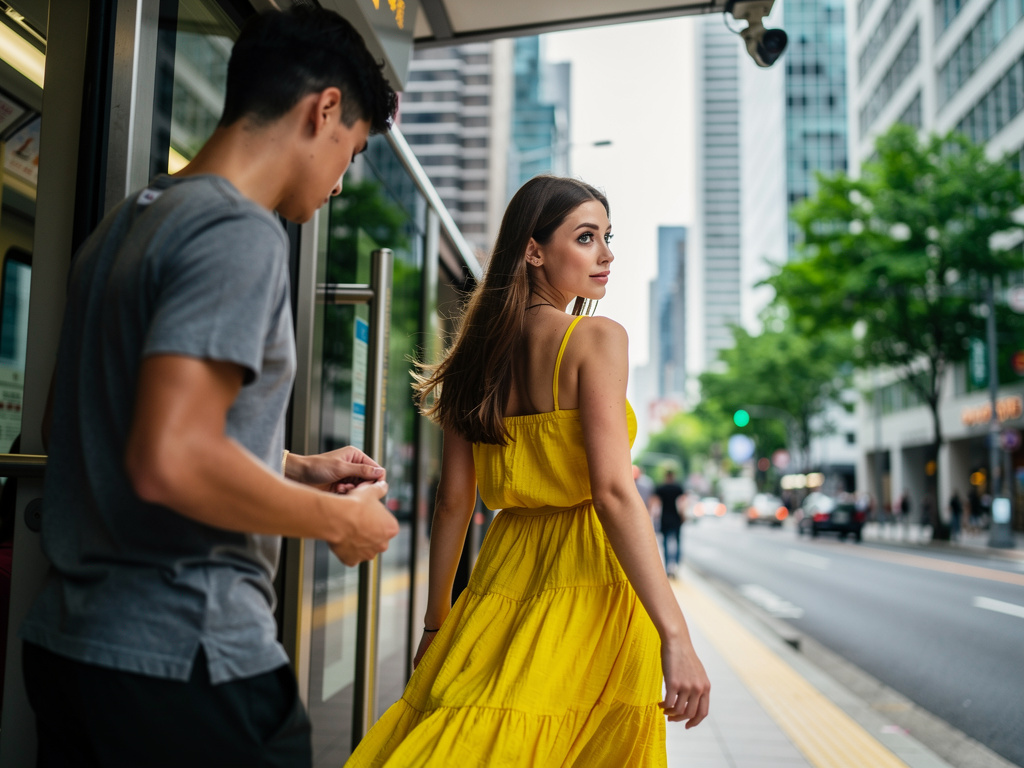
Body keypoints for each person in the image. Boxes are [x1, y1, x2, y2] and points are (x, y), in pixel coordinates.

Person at [19, 8, 400, 767]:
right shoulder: (240, 232)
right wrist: (336, 523)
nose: (338, 180)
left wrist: (292, 464)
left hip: (69, 650)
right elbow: (173, 460)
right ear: (323, 109)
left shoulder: (125, 224)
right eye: (350, 152)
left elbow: (80, 423)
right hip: (186, 657)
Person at [347, 176, 710, 767]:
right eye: (586, 237)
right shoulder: (597, 338)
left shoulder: (475, 355)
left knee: (475, 736)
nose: (607, 254)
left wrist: (437, 626)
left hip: (503, 569)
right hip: (594, 576)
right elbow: (615, 491)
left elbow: (453, 504)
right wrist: (676, 635)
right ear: (534, 250)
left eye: (607, 237)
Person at [654, 470, 686, 577]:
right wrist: (683, 516)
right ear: (673, 476)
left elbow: (656, 504)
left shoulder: (661, 488)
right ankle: (676, 565)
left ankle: (668, 567)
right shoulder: (678, 488)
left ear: (666, 476)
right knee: (677, 542)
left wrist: (655, 517)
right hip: (676, 518)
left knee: (666, 543)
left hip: (665, 519)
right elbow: (682, 504)